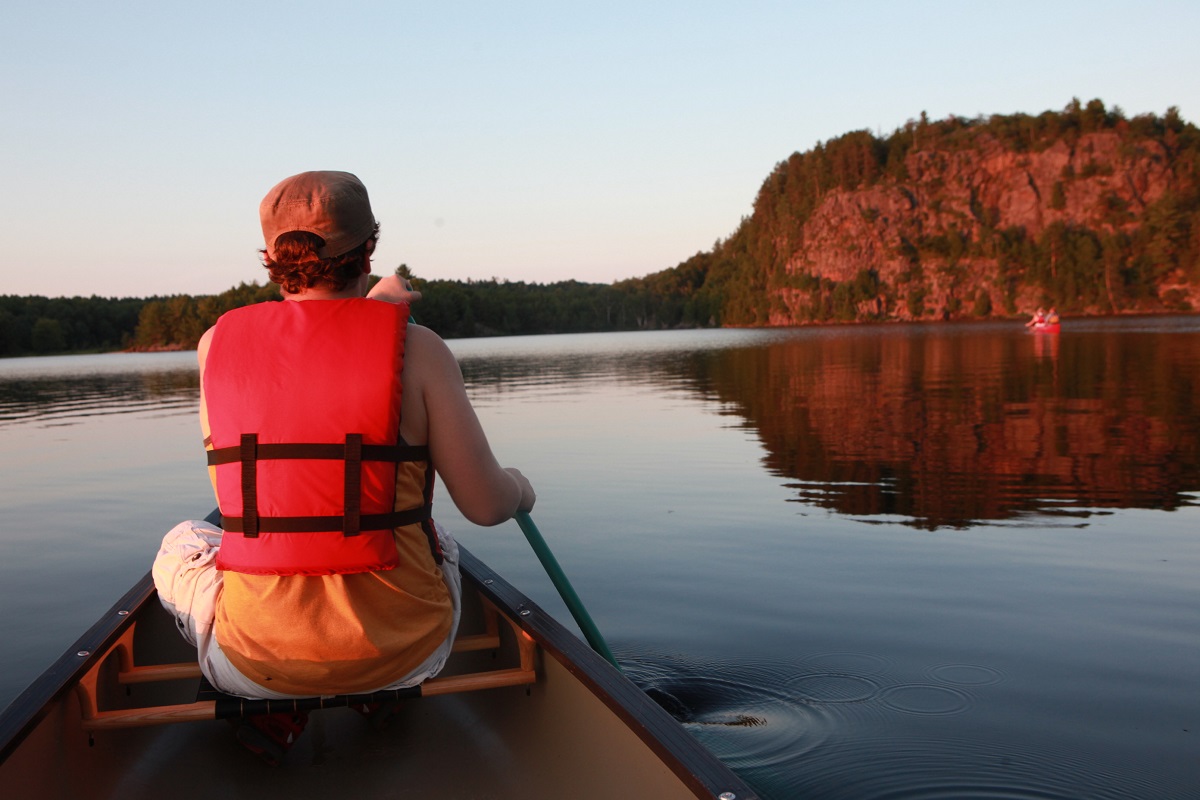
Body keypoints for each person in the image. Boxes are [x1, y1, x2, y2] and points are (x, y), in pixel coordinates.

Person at [152, 170, 535, 763]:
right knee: (439, 535)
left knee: (180, 543)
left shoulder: (214, 347)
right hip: (409, 654)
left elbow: (312, 346)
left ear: (273, 257)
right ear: (370, 248)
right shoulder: (422, 350)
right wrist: (520, 489)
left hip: (252, 663)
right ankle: (373, 695)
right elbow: (486, 507)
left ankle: (283, 706)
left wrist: (371, 310)